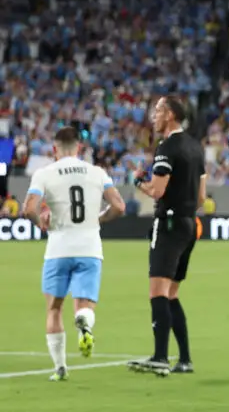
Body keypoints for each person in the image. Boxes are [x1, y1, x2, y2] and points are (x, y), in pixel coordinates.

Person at [22, 127, 125, 381]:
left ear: (55, 149)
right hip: (90, 248)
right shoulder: (97, 172)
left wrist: (41, 222)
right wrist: (98, 219)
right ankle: (83, 321)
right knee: (85, 304)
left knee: (54, 308)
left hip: (58, 249)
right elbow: (119, 206)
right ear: (79, 148)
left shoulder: (44, 173)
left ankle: (60, 368)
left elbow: (29, 208)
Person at [128, 96, 206, 376]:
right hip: (188, 224)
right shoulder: (196, 147)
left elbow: (158, 191)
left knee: (157, 291)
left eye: (158, 111)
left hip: (169, 223)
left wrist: (139, 181)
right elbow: (201, 197)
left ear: (170, 115)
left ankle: (160, 356)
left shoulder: (167, 147)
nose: (153, 116)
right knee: (172, 293)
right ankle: (184, 359)